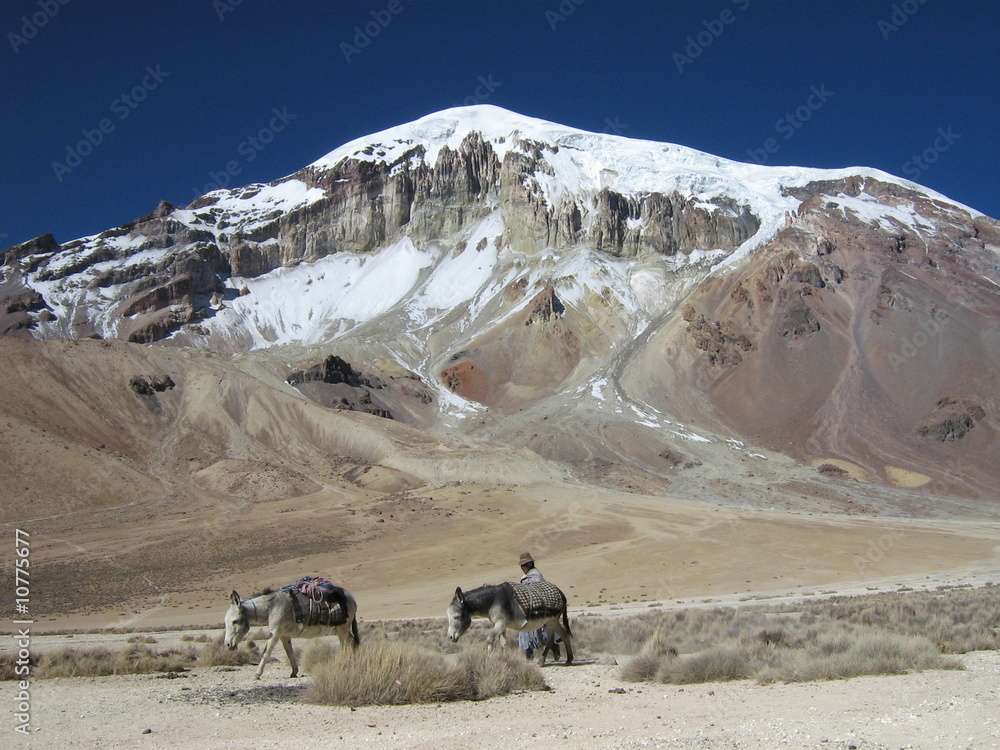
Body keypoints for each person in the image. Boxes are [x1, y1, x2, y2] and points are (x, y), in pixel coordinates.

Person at [516, 552, 559, 660]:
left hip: (538, 607)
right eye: (521, 565)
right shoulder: (524, 577)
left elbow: (537, 591)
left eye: (524, 565)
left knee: (539, 633)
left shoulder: (536, 576)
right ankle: (529, 655)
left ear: (530, 564)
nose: (522, 567)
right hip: (527, 609)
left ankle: (553, 646)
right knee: (525, 631)